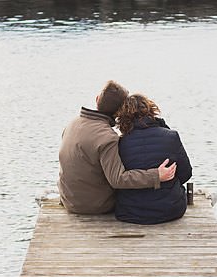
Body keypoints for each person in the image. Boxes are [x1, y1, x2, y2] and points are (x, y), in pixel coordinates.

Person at [57, 79, 177, 214]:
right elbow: (118, 179)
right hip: (93, 206)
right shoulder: (107, 137)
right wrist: (156, 176)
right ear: (121, 111)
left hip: (68, 200)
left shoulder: (72, 124)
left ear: (97, 99)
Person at [114, 93, 193, 224]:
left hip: (129, 212)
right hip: (170, 210)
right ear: (151, 111)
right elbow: (186, 174)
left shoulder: (120, 143)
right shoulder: (171, 137)